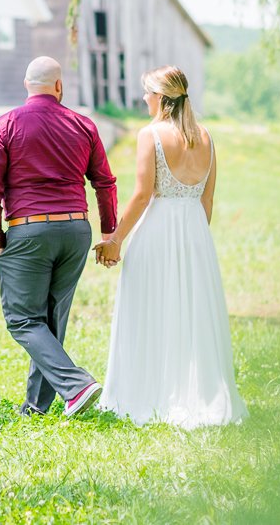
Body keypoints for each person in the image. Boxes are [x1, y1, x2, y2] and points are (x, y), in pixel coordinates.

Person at [96, 65, 248, 428]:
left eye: (147, 93)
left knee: (151, 308)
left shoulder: (151, 135)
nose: (143, 99)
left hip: (158, 231)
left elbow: (142, 194)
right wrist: (193, 240)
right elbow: (206, 202)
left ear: (162, 98)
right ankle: (197, 392)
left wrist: (115, 239)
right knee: (191, 315)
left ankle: (148, 393)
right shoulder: (207, 137)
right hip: (196, 235)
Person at [0, 56, 118, 417]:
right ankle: (36, 409)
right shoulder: (83, 125)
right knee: (52, 318)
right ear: (59, 86)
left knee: (23, 319)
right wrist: (109, 233)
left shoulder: (6, 124)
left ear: (27, 85)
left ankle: (76, 385)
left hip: (29, 229)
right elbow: (104, 181)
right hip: (76, 230)